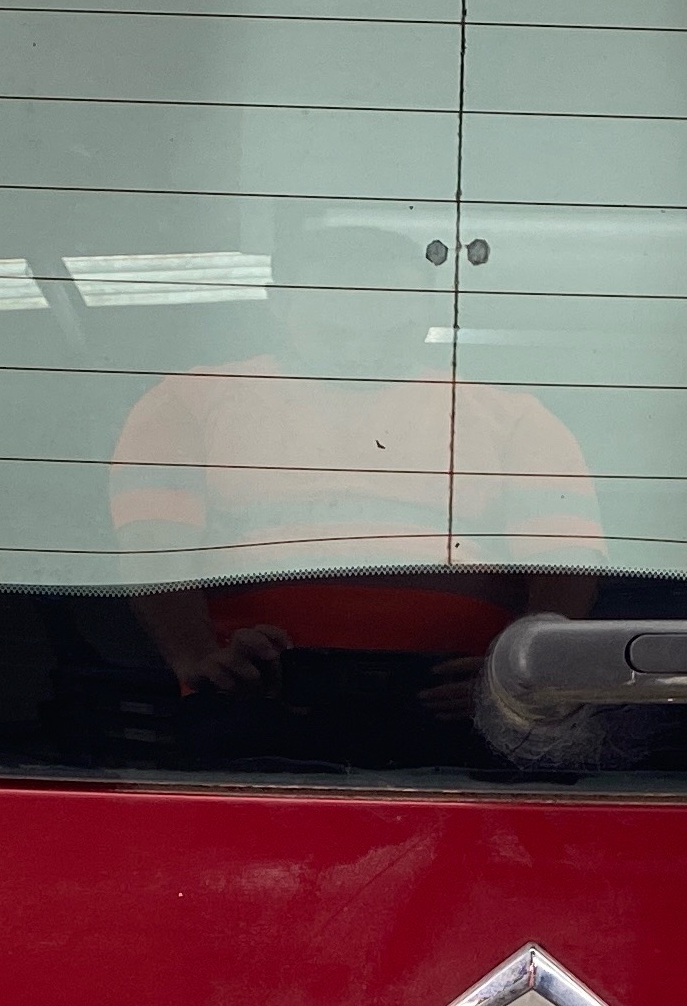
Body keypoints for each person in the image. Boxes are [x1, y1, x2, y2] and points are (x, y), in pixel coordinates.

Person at [108, 205, 602, 717]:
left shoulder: (515, 417)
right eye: (334, 330)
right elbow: (154, 543)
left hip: (459, 702)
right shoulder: (189, 401)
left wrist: (515, 678)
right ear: (280, 303)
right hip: (251, 693)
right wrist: (198, 660)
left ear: (431, 306)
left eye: (390, 331)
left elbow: (566, 562)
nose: (361, 349)